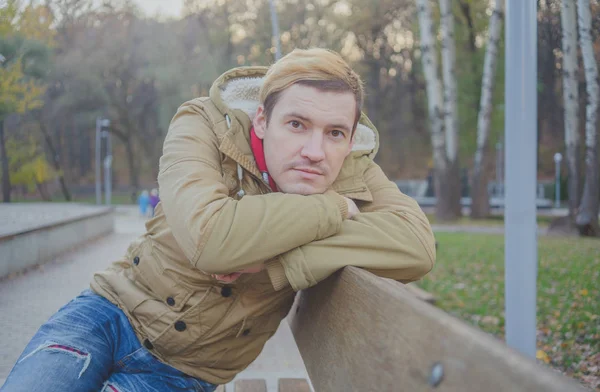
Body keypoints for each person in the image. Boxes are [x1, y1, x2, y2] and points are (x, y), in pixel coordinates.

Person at [1, 48, 436, 392]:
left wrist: (274, 260)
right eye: (298, 124)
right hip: (108, 315)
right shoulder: (204, 124)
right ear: (262, 119)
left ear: (351, 135)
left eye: (335, 133)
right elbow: (213, 241)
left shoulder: (354, 168)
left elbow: (416, 245)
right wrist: (335, 209)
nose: (316, 151)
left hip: (185, 372)